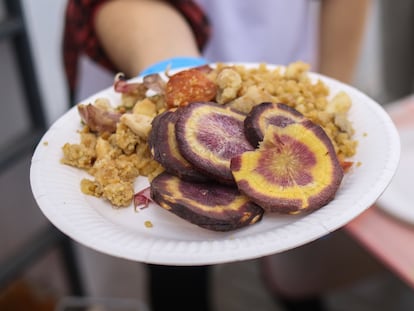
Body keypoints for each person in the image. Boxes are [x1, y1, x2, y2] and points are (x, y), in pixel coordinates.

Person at [62, 1, 372, 311]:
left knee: (298, 261)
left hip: (277, 72)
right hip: (147, 49)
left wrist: (330, 97)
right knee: (178, 272)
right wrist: (176, 70)